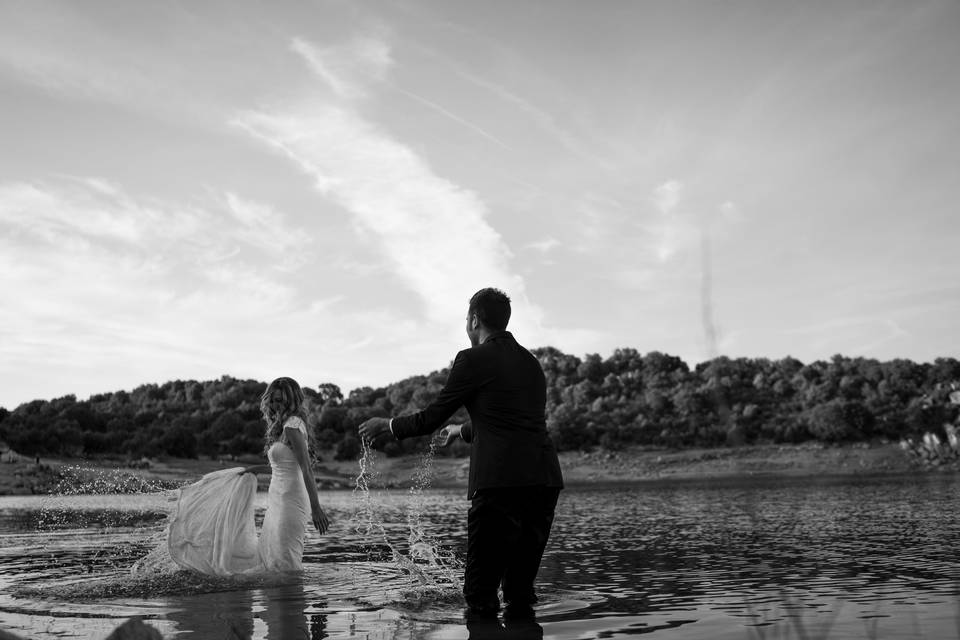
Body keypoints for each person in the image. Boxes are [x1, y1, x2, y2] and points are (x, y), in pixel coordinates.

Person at [359, 288, 563, 620]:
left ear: (473, 320)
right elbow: (510, 420)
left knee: (480, 595)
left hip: (500, 485)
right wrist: (461, 431)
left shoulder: (471, 359)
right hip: (544, 482)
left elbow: (430, 418)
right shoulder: (531, 362)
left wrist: (389, 423)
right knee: (520, 591)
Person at [167, 377, 330, 575]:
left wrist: (317, 508)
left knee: (285, 561)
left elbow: (306, 469)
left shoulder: (292, 426)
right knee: (273, 558)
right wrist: (255, 469)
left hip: (291, 501)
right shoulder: (286, 425)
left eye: (281, 400)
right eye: (274, 400)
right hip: (278, 499)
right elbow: (286, 466)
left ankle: (291, 601)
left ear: (292, 400)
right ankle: (280, 603)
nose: (276, 405)